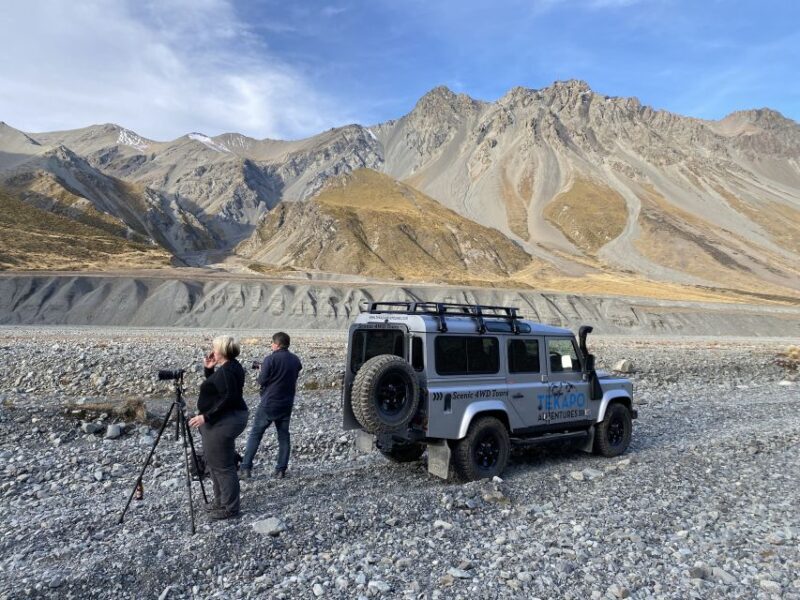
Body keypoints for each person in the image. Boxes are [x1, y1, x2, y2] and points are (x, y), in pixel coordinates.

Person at [188, 335, 248, 520]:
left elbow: (228, 398)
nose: (212, 351)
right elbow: (218, 389)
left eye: (214, 348)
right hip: (226, 418)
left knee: (222, 465)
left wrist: (206, 417)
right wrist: (209, 370)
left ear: (221, 351)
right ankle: (221, 501)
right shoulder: (231, 367)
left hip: (224, 420)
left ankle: (230, 508)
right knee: (215, 462)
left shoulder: (229, 371)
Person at [240, 332, 302, 479]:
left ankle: (245, 468)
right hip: (286, 403)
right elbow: (294, 372)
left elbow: (262, 381)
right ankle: (281, 470)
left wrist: (263, 369)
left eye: (272, 343)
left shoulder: (270, 359)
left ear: (277, 344)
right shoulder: (295, 360)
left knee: (256, 434)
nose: (271, 345)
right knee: (283, 436)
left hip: (269, 403)